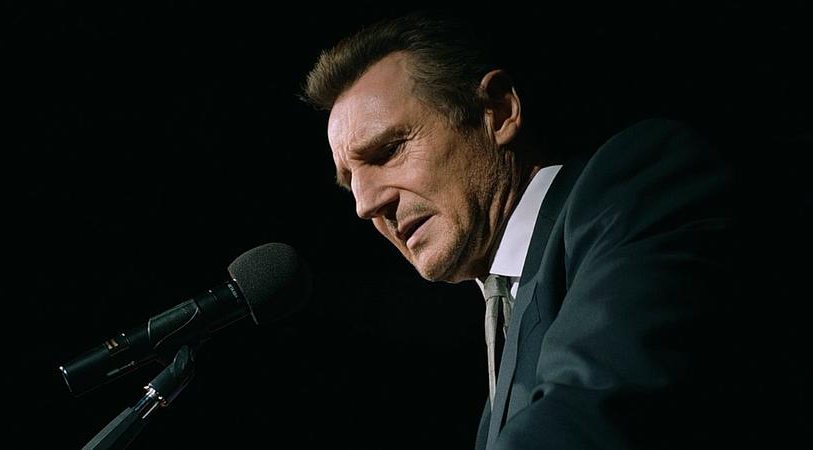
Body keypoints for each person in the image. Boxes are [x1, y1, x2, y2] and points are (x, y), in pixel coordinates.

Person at [301, 11, 802, 449]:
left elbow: (593, 409)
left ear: (498, 112)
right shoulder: (504, 330)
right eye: (351, 184)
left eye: (388, 150)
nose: (366, 205)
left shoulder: (635, 185)